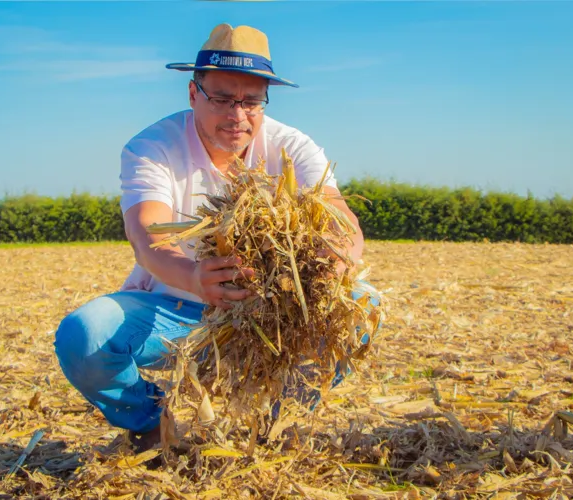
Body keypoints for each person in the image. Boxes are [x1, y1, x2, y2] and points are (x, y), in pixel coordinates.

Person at [53, 23, 377, 452]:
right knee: (85, 334)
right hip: (175, 309)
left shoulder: (291, 147)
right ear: (192, 94)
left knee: (360, 305)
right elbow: (146, 231)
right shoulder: (153, 147)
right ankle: (152, 424)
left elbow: (340, 216)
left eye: (251, 101)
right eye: (222, 98)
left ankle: (280, 426)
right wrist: (193, 276)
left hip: (271, 316)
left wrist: (336, 259)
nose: (237, 115)